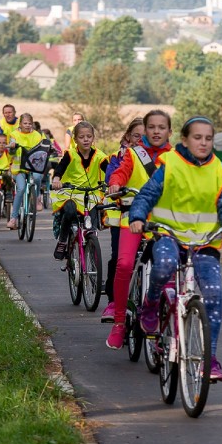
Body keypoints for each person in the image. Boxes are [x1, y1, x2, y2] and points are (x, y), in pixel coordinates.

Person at [127, 116, 222, 381]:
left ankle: (208, 360)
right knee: (165, 266)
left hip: (205, 241)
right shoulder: (170, 164)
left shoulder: (217, 169)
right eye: (197, 137)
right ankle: (151, 304)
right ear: (184, 140)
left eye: (208, 138)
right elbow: (147, 195)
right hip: (169, 235)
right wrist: (137, 217)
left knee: (214, 294)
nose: (203, 143)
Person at [103, 110, 173, 346]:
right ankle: (120, 322)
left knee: (169, 268)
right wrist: (115, 184)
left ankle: (164, 318)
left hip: (163, 222)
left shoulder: (177, 157)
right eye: (151, 127)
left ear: (169, 132)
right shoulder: (133, 154)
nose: (155, 131)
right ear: (145, 130)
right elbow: (121, 173)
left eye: (160, 127)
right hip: (132, 218)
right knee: (124, 264)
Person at [100, 117, 145, 323]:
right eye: (137, 136)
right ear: (128, 136)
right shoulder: (117, 157)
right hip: (122, 214)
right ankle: (113, 302)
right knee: (119, 258)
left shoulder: (157, 157)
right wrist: (115, 186)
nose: (141, 140)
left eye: (144, 136)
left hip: (149, 216)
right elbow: (113, 176)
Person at [50, 121, 108, 260]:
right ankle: (63, 240)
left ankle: (92, 247)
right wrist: (57, 179)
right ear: (75, 139)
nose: (86, 139)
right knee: (69, 210)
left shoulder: (100, 156)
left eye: (89, 136)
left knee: (92, 225)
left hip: (91, 194)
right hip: (70, 192)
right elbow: (60, 168)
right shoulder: (70, 154)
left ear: (93, 138)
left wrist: (115, 183)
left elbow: (110, 171)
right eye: (82, 137)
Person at [8, 113, 45, 230]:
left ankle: (38, 197)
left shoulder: (37, 135)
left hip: (33, 166)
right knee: (21, 188)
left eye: (30, 123)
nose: (28, 125)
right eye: (25, 123)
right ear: (20, 124)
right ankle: (13, 218)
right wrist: (12, 147)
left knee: (38, 177)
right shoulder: (14, 134)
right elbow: (11, 153)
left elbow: (43, 146)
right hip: (18, 168)